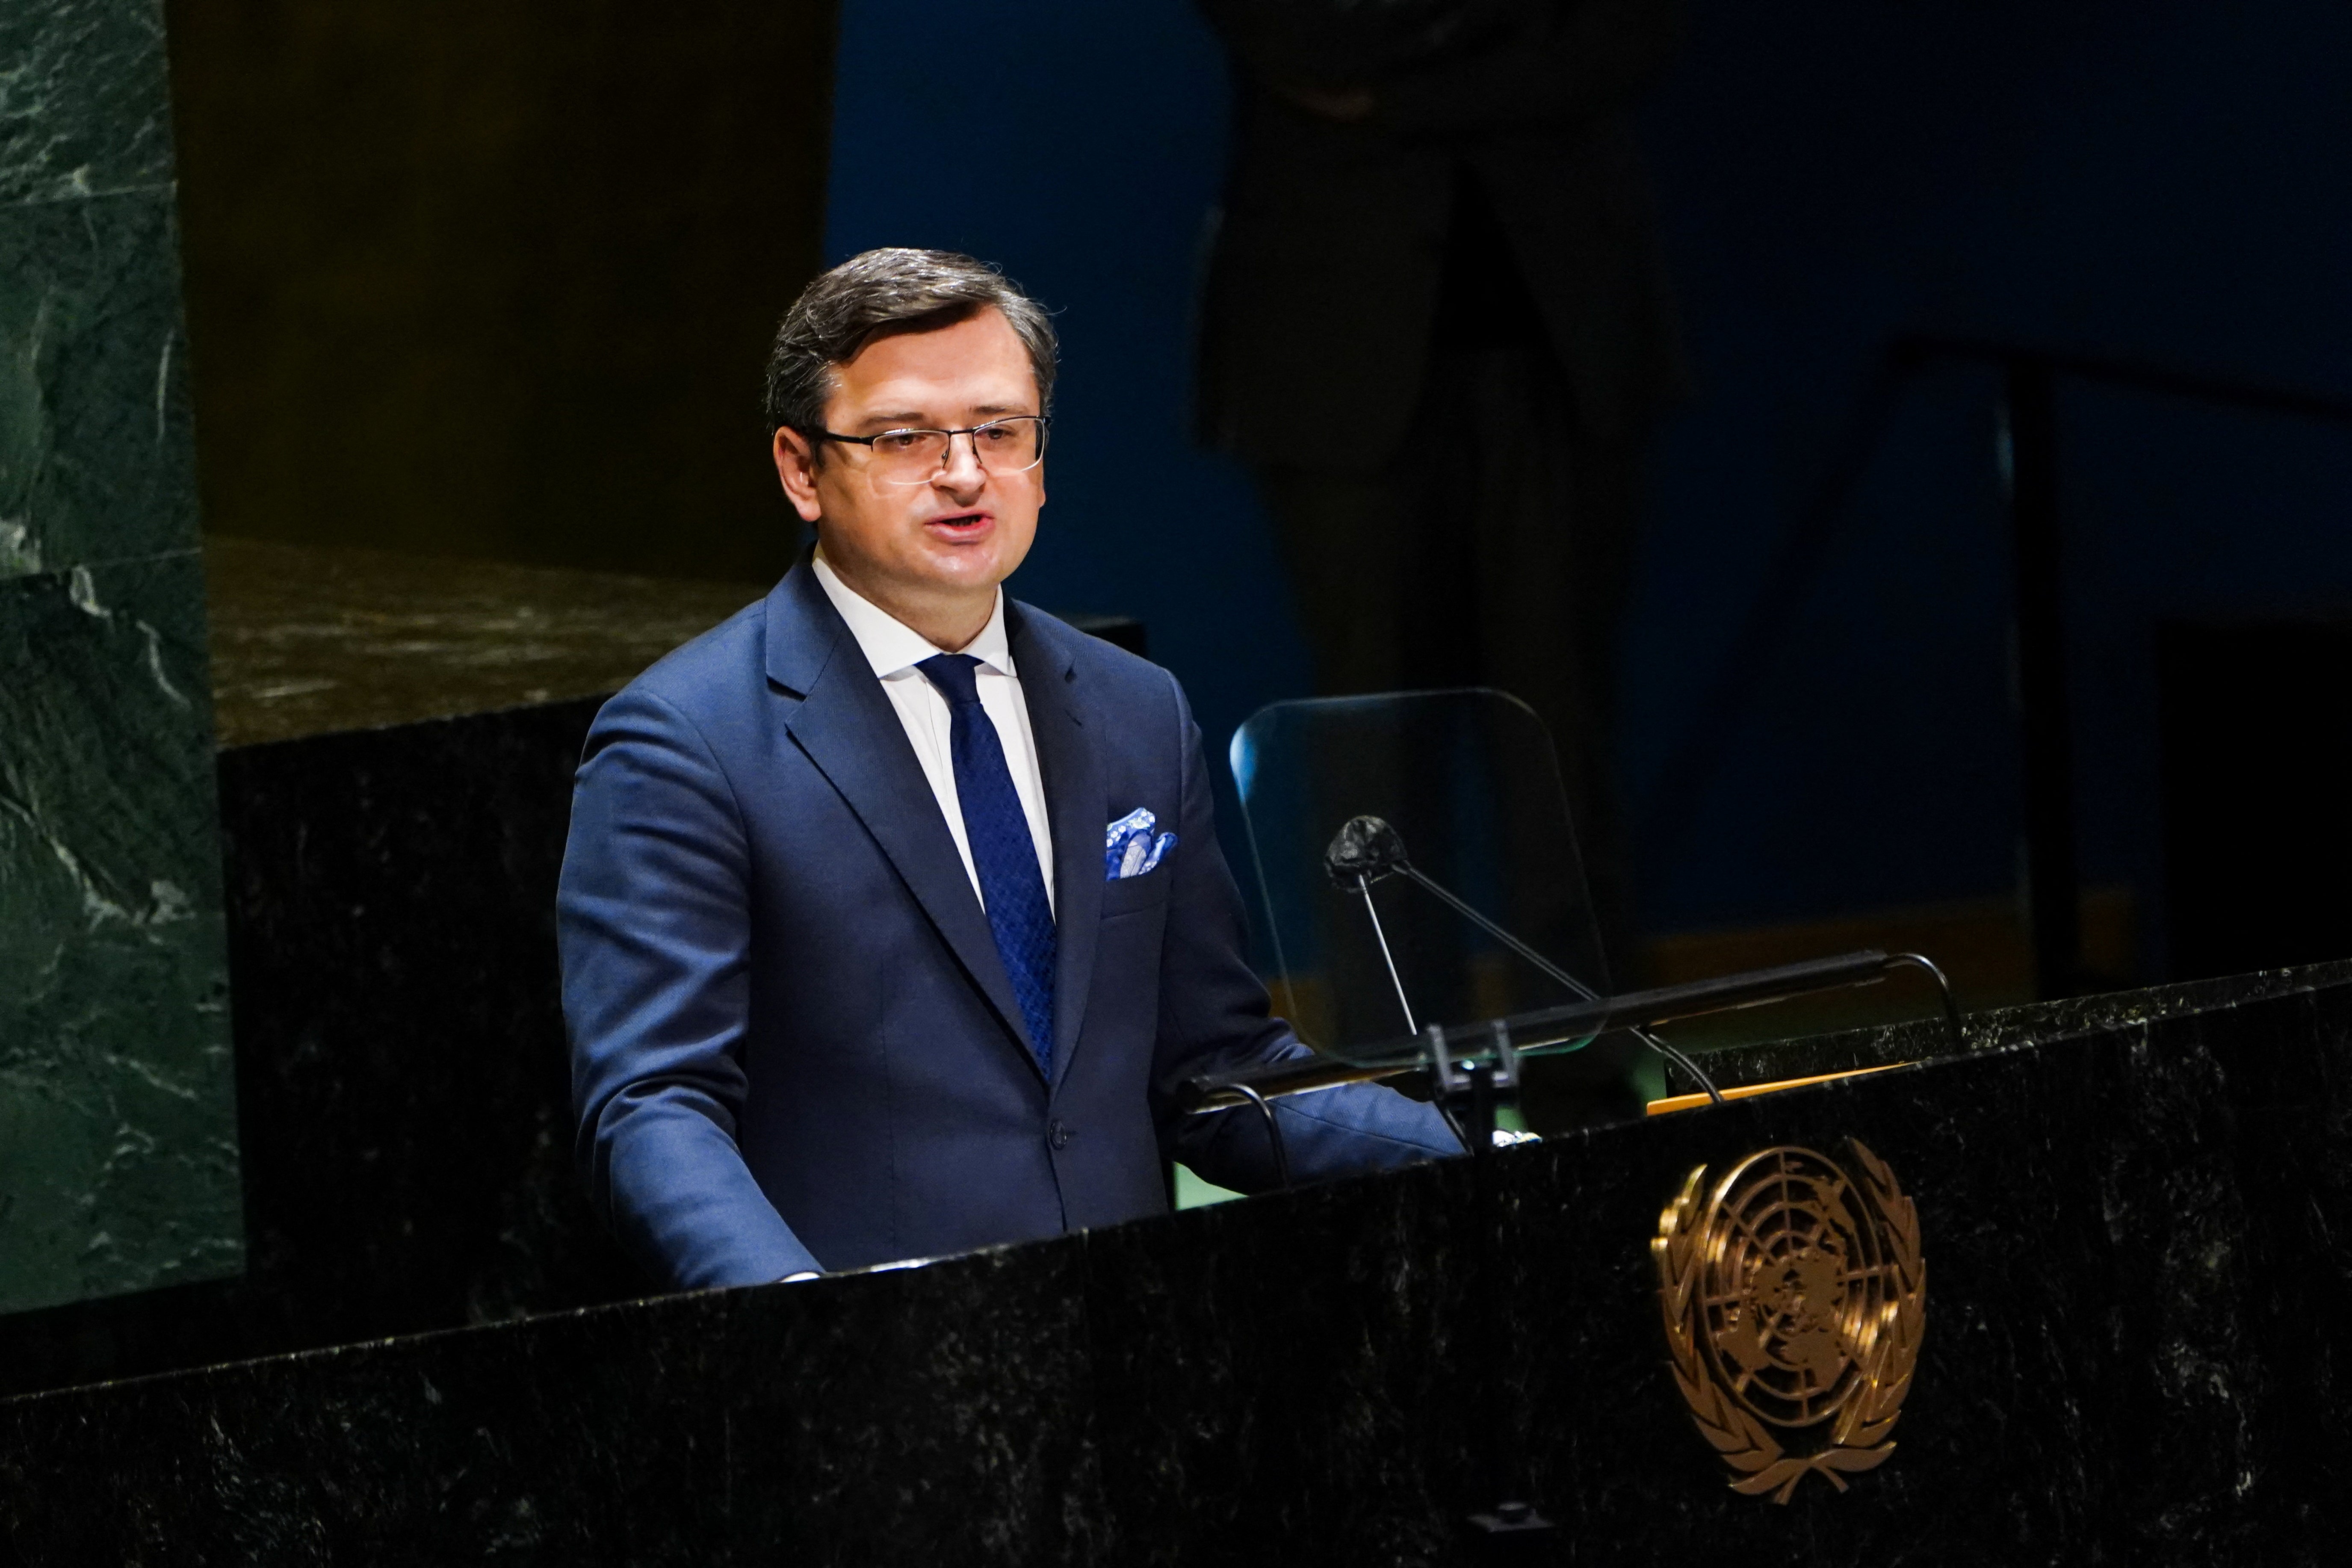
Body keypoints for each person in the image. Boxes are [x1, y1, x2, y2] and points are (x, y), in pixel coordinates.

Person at [558, 248, 1461, 1289]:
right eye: (904, 438)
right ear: (801, 470)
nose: (962, 471)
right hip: (870, 1373)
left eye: (999, 430)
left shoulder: (1135, 709)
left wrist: (1483, 1156)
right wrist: (798, 1323)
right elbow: (653, 1106)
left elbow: (1213, 1067)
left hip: (1131, 1354)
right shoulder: (686, 740)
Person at [1194, 0, 1685, 977]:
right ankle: (1399, 1107)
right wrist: (1490, 41)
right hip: (1329, 343)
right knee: (1368, 751)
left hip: (1560, 342)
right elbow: (1299, 36)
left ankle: (1585, 1091)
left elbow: (1629, 33)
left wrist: (1394, 88)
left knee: (1561, 743)